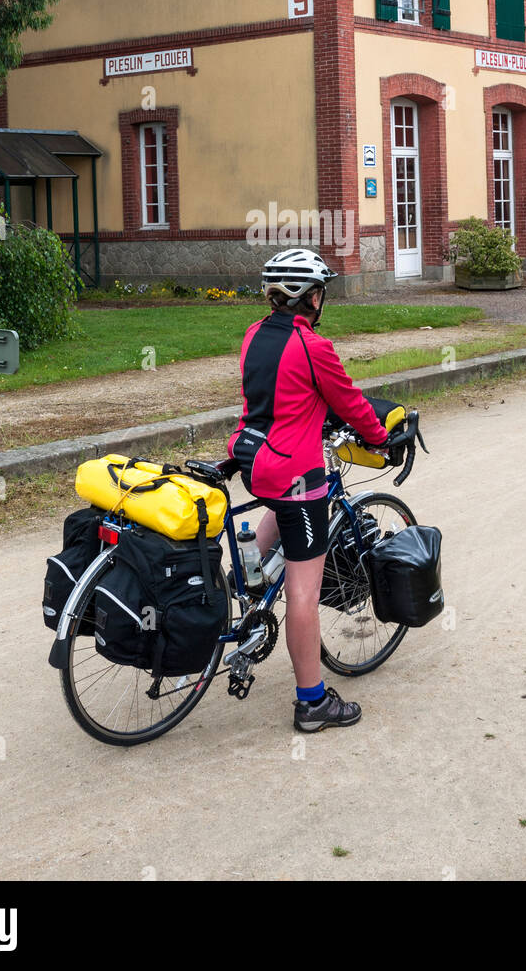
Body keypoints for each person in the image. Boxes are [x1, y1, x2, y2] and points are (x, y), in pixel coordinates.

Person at [227, 248, 390, 734]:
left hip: (253, 459)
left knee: (278, 511)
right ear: (310, 297)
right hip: (295, 476)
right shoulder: (313, 346)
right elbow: (352, 403)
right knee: (304, 591)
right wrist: (381, 438)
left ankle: (252, 576)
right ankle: (312, 703)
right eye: (321, 292)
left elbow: (279, 395)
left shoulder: (254, 335)